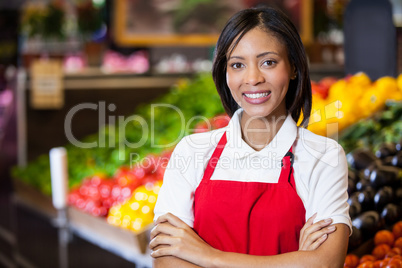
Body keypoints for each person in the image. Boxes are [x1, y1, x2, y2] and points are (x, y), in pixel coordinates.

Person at [150, 6, 351, 268]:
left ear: (292, 66)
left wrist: (206, 255)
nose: (253, 78)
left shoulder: (324, 155)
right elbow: (166, 260)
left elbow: (325, 263)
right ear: (225, 72)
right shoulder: (192, 151)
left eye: (268, 62)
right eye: (237, 65)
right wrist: (294, 260)